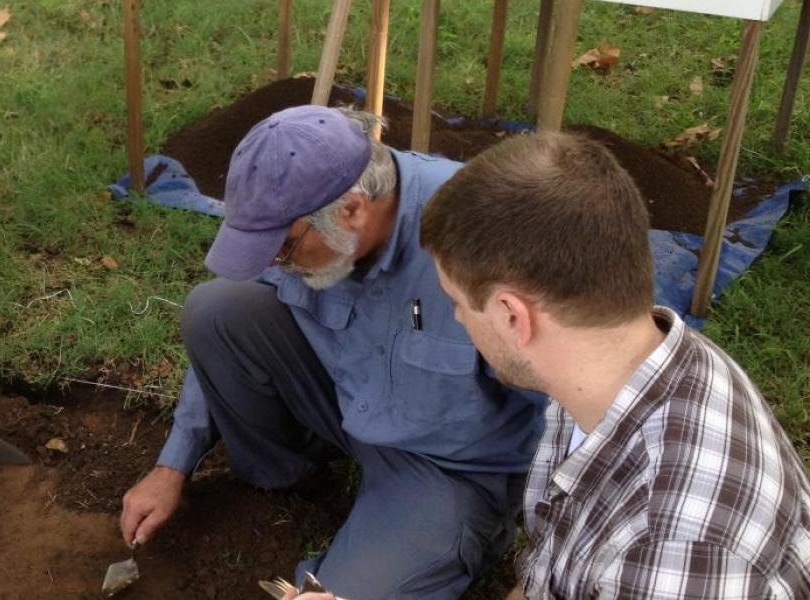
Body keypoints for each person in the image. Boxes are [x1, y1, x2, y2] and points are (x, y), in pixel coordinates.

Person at [119, 105, 544, 598]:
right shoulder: (310, 213)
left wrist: (544, 567)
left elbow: (575, 411)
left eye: (282, 250)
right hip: (347, 402)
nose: (277, 262)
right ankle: (286, 474)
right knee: (215, 310)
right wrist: (172, 465)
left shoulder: (485, 236)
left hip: (447, 469)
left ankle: (420, 538)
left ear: (352, 210)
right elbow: (246, 300)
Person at [420, 131, 810, 599]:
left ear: (511, 315)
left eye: (457, 303)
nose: (459, 318)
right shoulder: (616, 364)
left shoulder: (676, 550)